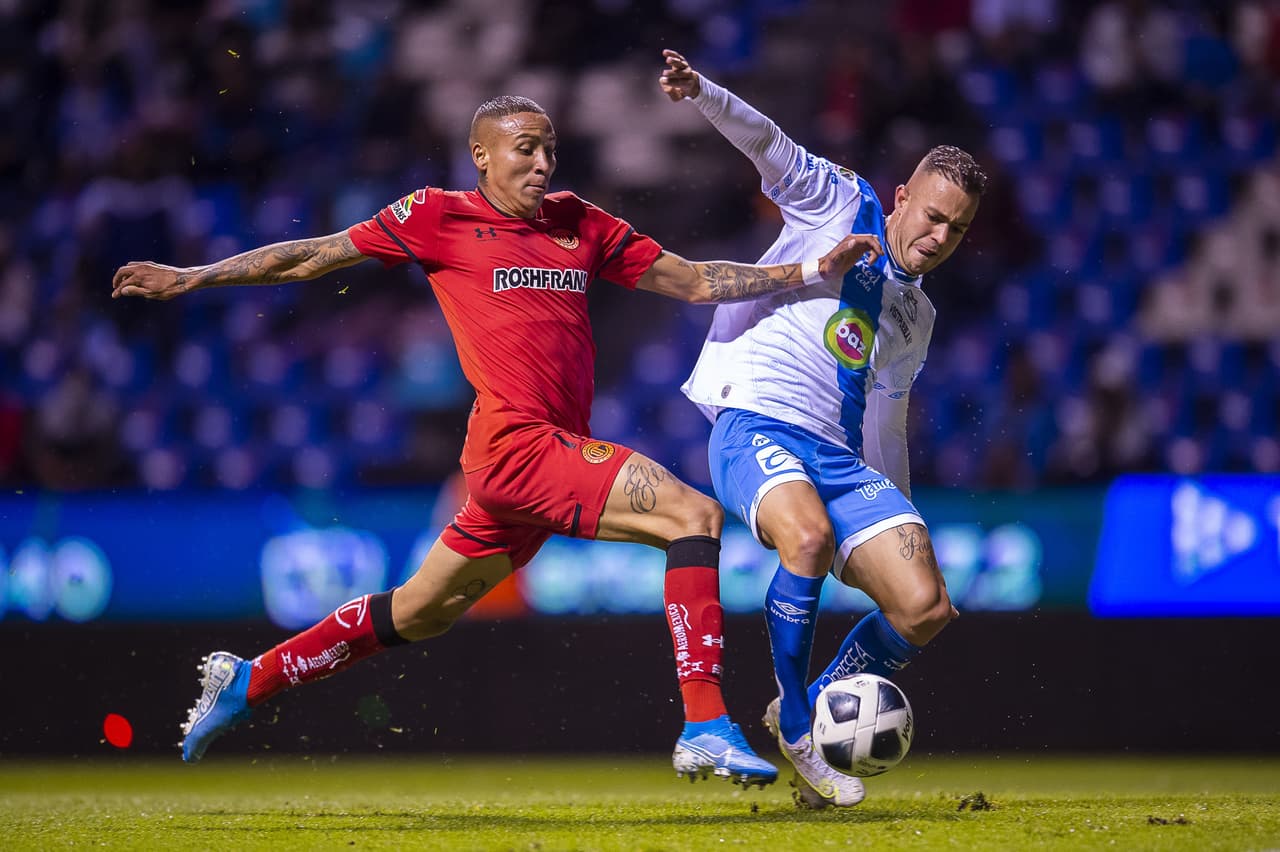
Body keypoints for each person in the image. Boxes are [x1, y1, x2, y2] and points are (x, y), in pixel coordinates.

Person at [111, 94, 881, 784]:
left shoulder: (581, 221)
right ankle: (706, 726)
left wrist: (811, 267)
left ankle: (248, 680)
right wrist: (193, 277)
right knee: (693, 517)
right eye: (525, 149)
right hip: (518, 447)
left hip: (524, 469)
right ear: (481, 155)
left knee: (418, 611)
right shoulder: (435, 216)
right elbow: (316, 254)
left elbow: (693, 280)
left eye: (549, 148)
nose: (543, 162)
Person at [659, 49, 985, 807]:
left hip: (837, 459)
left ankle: (813, 699)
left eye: (957, 230)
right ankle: (801, 729)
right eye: (932, 215)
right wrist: (702, 91)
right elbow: (766, 140)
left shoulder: (916, 316)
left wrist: (895, 521)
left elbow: (889, 420)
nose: (938, 236)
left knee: (925, 606)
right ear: (903, 197)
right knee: (804, 538)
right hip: (756, 420)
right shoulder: (838, 201)